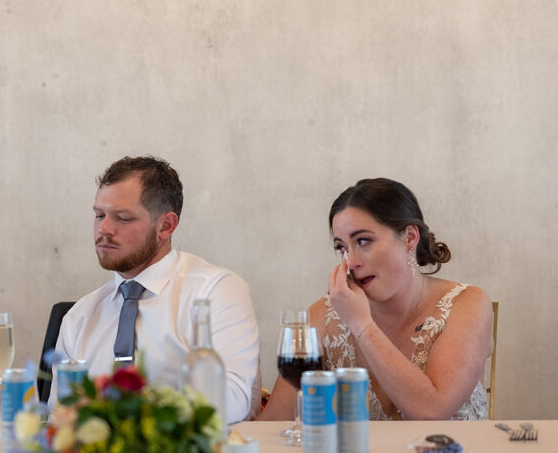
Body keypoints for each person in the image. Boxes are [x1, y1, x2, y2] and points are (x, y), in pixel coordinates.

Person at [260, 178, 492, 421]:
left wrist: (361, 324)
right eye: (342, 248)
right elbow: (271, 425)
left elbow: (432, 410)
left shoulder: (467, 304)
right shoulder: (323, 316)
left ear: (410, 238)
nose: (351, 261)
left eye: (363, 241)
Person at [53, 156, 261, 423]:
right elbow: (57, 416)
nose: (104, 229)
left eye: (123, 218)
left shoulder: (215, 292)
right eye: (99, 215)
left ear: (166, 226)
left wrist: (132, 414)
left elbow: (232, 402)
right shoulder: (80, 316)